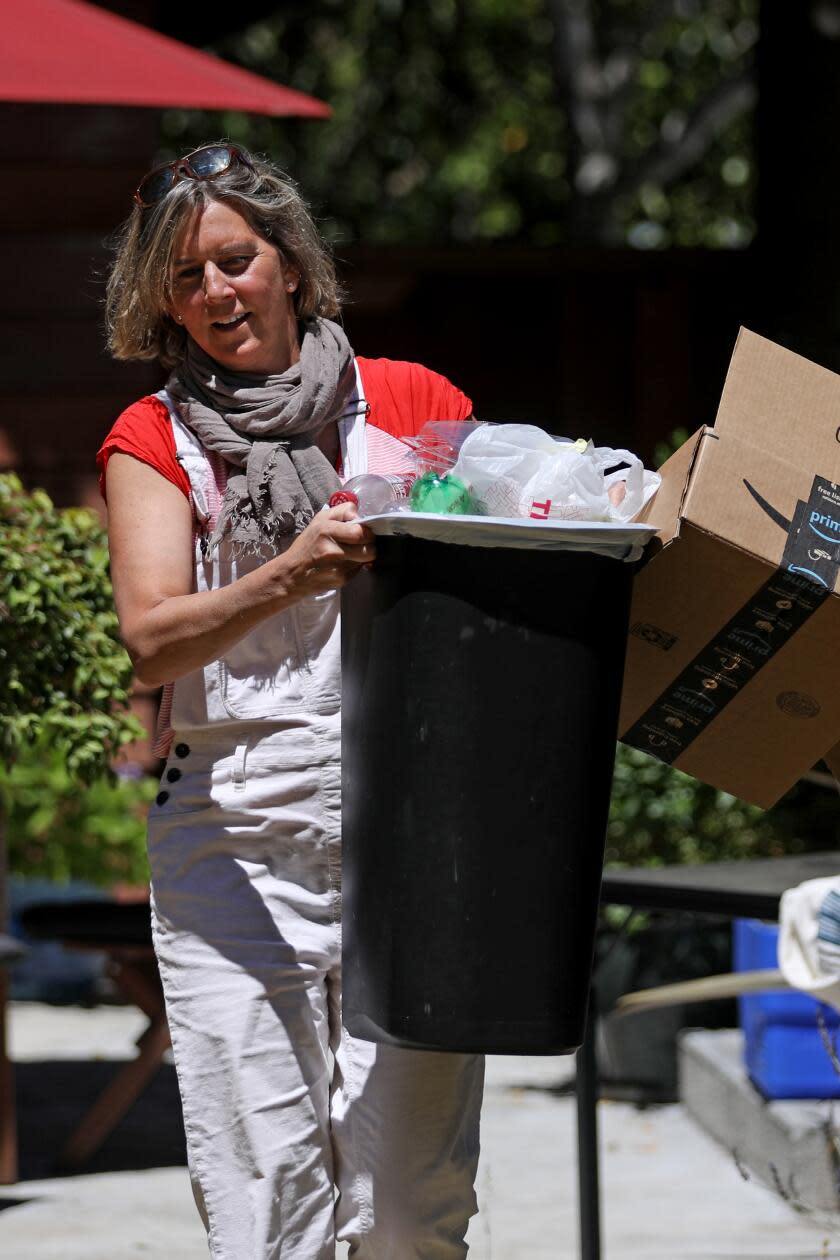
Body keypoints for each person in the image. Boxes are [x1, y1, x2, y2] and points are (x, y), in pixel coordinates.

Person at [97, 143, 485, 1260]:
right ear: (162, 303)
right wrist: (286, 573)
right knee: (266, 1209)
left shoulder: (412, 403)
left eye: (235, 260)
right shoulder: (153, 440)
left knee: (415, 1211)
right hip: (233, 847)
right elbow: (149, 639)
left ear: (292, 267)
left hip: (412, 846)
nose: (217, 292)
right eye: (185, 277)